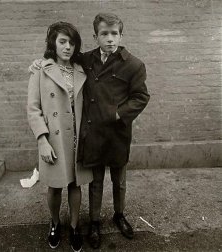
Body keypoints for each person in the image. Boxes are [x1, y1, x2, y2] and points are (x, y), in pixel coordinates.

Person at [29, 13, 150, 249]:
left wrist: (118, 114)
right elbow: (59, 64)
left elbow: (141, 96)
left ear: (121, 36)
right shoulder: (87, 60)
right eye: (104, 34)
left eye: (114, 33)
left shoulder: (133, 64)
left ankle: (119, 214)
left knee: (120, 180)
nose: (110, 39)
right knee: (95, 181)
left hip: (117, 133)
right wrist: (38, 62)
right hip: (92, 133)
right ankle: (94, 222)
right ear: (95, 37)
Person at [27, 21, 92, 252]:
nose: (67, 47)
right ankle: (54, 223)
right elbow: (33, 109)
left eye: (72, 43)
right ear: (53, 43)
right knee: (55, 186)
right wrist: (42, 140)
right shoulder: (41, 70)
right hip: (53, 139)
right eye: (62, 41)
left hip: (78, 138)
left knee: (76, 185)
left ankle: (74, 227)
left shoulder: (81, 69)